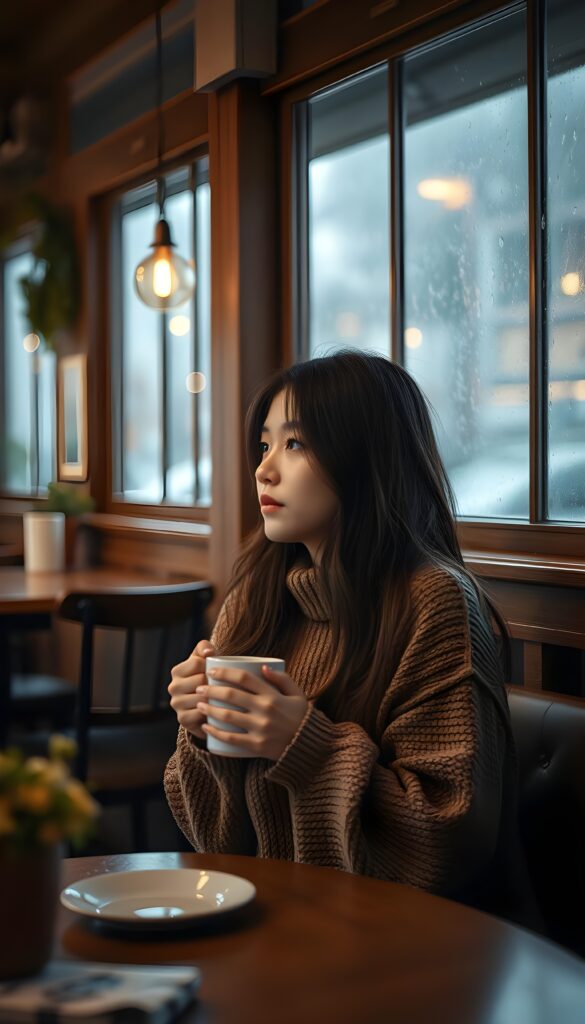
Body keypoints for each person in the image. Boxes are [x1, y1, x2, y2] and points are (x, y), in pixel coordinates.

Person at [165, 349, 539, 927]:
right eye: (264, 445)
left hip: (418, 948)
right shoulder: (258, 596)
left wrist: (302, 743)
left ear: (366, 457)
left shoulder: (433, 602)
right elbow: (215, 841)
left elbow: (447, 839)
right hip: (281, 921)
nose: (264, 469)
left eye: (295, 444)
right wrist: (203, 732)